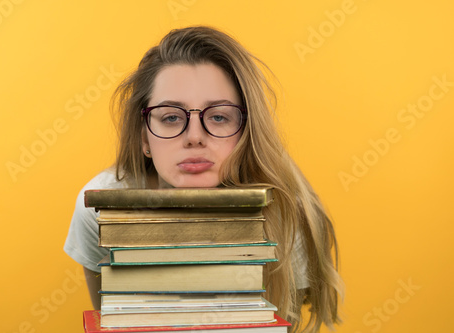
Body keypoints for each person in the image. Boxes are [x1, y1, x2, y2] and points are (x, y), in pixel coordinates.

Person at [64, 26, 343, 332]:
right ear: (144, 136)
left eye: (219, 116)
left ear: (245, 133)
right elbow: (112, 319)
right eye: (170, 117)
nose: (195, 137)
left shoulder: (285, 210)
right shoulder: (98, 207)